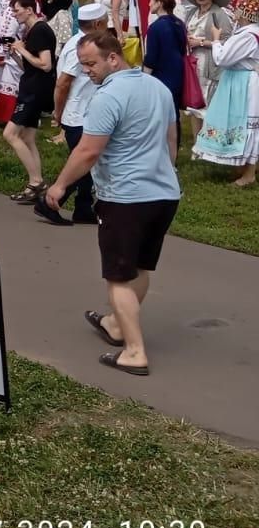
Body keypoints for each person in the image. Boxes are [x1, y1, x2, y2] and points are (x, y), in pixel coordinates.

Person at [44, 32, 180, 377]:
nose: (86, 70)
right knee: (141, 267)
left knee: (118, 276)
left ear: (114, 59)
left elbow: (88, 150)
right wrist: (166, 171)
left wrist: (60, 185)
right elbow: (171, 140)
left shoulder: (108, 96)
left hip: (125, 196)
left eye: (91, 63)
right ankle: (117, 326)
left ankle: (134, 352)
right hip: (164, 193)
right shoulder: (159, 88)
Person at [42, 3, 111, 226]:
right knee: (82, 163)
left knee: (88, 166)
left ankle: (83, 207)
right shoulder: (80, 48)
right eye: (106, 21)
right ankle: (49, 202)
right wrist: (59, 114)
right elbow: (63, 83)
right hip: (79, 113)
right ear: (98, 24)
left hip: (84, 112)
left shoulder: (82, 43)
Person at [192, 0, 259, 187]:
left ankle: (249, 173)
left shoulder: (248, 36)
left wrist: (216, 40)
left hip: (243, 83)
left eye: (239, 9)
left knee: (248, 125)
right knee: (241, 124)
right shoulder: (247, 33)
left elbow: (223, 58)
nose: (235, 12)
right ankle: (242, 165)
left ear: (245, 13)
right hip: (239, 80)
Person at [3, 0, 56, 204]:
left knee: (10, 134)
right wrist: (17, 53)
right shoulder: (32, 31)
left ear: (29, 9)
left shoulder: (40, 30)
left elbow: (45, 64)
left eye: (16, 10)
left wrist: (22, 50)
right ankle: (37, 182)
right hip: (32, 86)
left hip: (34, 91)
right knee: (27, 137)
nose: (14, 14)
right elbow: (29, 65)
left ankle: (36, 182)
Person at [142, 0, 189, 153]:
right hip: (177, 72)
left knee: (160, 114)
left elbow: (151, 57)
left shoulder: (155, 27)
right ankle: (175, 147)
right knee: (174, 113)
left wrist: (144, 78)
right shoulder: (179, 23)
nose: (149, 4)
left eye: (151, 1)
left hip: (161, 75)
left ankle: (163, 150)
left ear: (159, 4)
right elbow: (183, 48)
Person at [182, 0, 234, 111]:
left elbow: (228, 41)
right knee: (192, 105)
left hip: (209, 65)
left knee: (207, 104)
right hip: (191, 63)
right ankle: (196, 133)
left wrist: (200, 42)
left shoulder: (218, 14)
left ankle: (208, 132)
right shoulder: (191, 13)